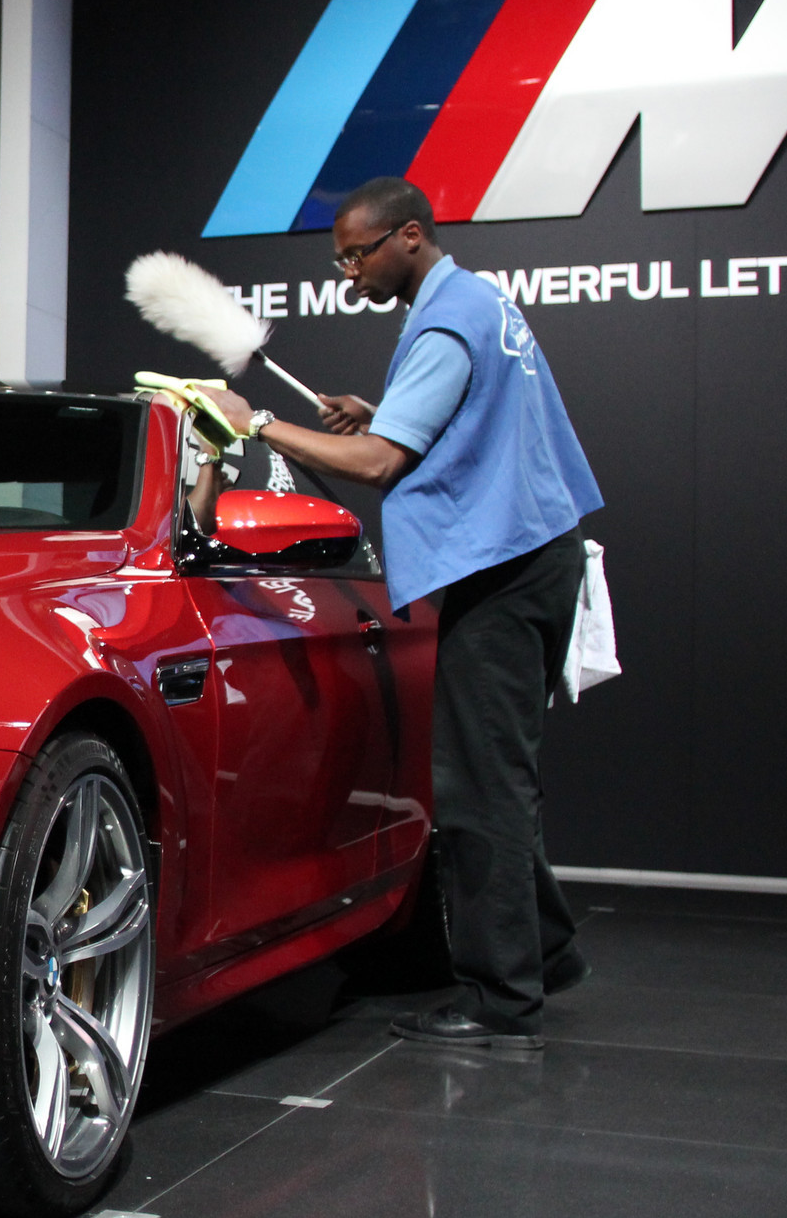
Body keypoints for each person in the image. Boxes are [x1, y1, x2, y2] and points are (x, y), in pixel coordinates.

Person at [195, 176, 603, 1052]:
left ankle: (502, 1000)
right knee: (498, 776)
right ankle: (551, 950)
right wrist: (377, 413)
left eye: (356, 255)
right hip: (534, 558)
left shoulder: (445, 323)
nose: (347, 274)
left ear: (408, 237)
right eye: (340, 258)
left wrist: (256, 421)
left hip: (504, 571)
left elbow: (378, 466)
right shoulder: (477, 301)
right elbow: (461, 428)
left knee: (477, 790)